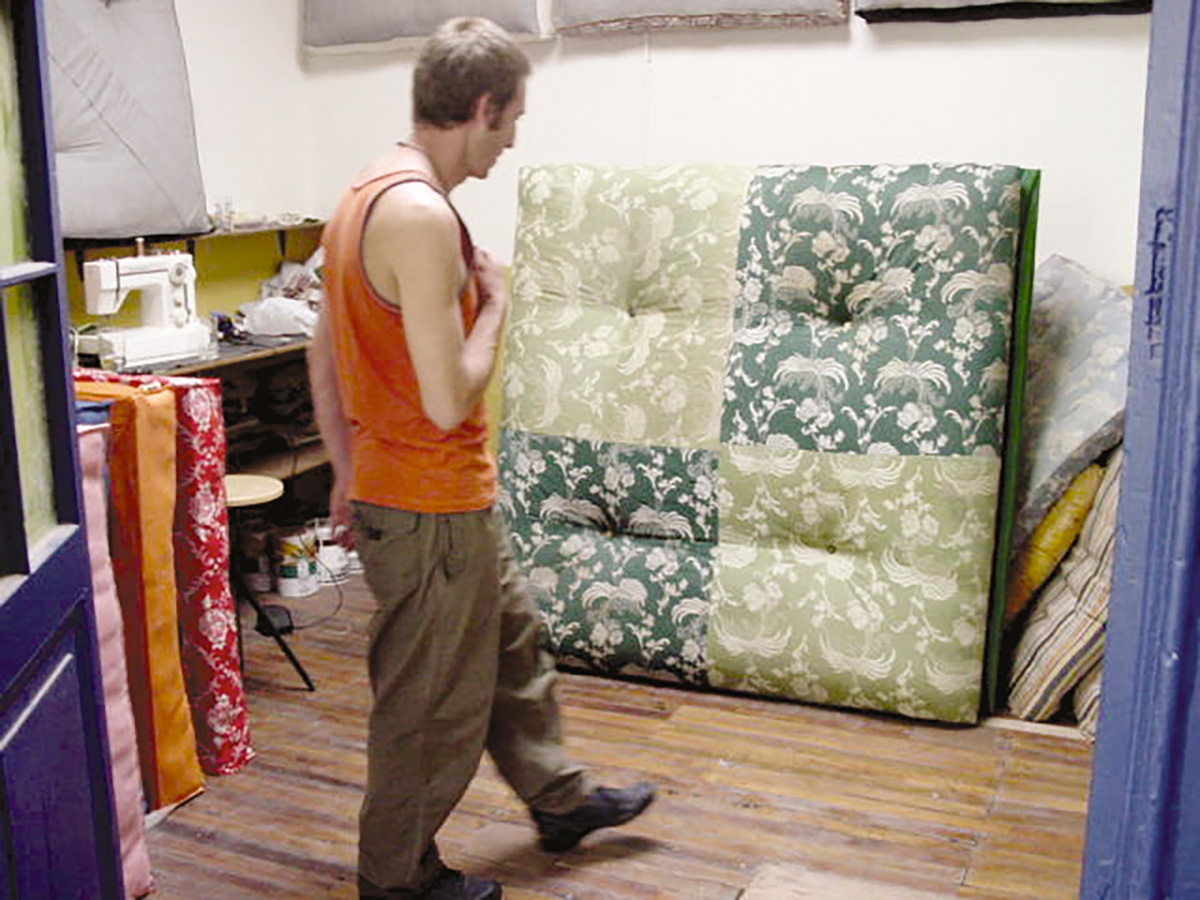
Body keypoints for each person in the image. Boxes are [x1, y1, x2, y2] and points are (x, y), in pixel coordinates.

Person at [308, 17, 654, 900]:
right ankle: (397, 879)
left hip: (431, 492)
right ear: (484, 107)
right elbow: (447, 397)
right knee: (431, 706)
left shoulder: (363, 194)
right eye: (513, 121)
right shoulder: (419, 216)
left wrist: (345, 469)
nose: (512, 142)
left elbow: (324, 354)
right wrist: (498, 301)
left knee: (512, 649)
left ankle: (559, 800)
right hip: (426, 506)